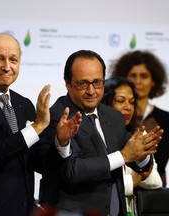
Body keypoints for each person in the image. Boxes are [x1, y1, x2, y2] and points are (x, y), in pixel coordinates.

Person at [0, 33, 80, 216]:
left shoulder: (22, 104)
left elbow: (40, 162)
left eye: (13, 60)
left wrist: (61, 143)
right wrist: (36, 127)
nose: (7, 67)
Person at [38, 50, 163, 216]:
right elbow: (73, 171)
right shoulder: (57, 116)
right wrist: (124, 156)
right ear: (67, 83)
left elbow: (137, 160)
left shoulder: (113, 116)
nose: (91, 91)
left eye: (97, 83)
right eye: (83, 83)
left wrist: (143, 153)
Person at [102, 77, 162, 215]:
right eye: (120, 101)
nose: (128, 107)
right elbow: (96, 185)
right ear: (105, 103)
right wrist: (130, 182)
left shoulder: (138, 135)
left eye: (132, 102)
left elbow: (156, 181)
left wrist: (143, 176)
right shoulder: (96, 134)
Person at [110, 50, 169, 187]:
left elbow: (160, 161)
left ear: (153, 81)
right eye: (133, 76)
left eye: (144, 76)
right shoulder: (116, 116)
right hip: (119, 188)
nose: (138, 81)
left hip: (152, 192)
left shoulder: (166, 119)